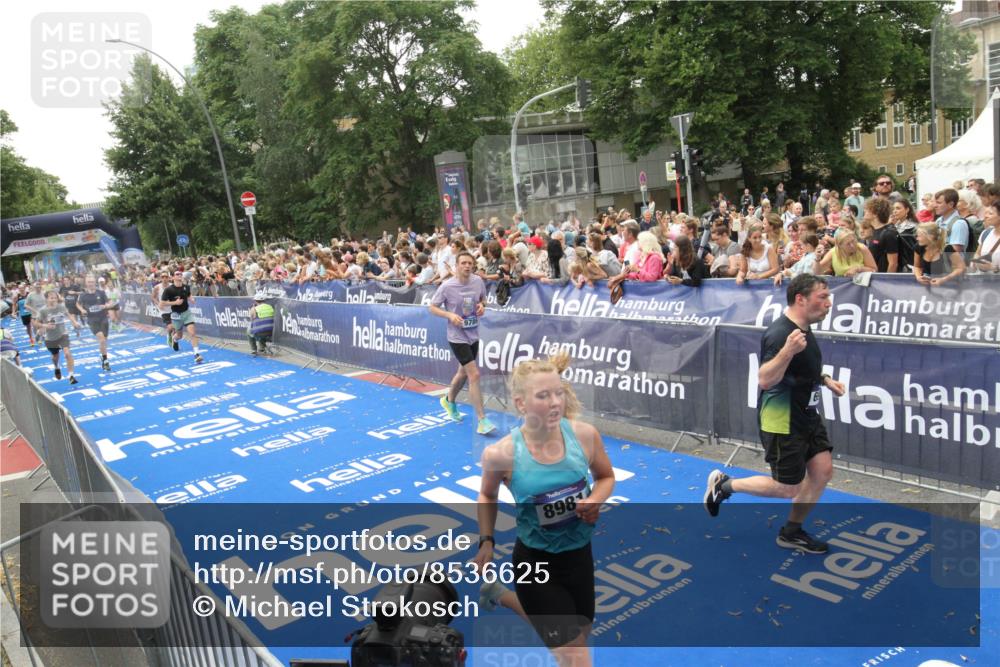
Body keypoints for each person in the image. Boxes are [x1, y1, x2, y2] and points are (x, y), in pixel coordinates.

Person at [472, 353, 615, 667]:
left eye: (559, 393)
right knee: (577, 658)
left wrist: (594, 501)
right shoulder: (501, 454)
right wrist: (486, 539)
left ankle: (498, 594)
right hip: (536, 564)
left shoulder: (585, 436)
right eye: (543, 395)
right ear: (521, 404)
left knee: (581, 633)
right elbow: (486, 494)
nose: (555, 403)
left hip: (579, 556)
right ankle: (506, 593)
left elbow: (605, 477)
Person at [705, 274, 846, 553]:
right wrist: (787, 351)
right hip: (782, 421)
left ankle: (791, 532)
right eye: (823, 297)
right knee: (788, 488)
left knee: (822, 471)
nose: (829, 303)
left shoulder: (802, 327)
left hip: (806, 414)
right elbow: (766, 379)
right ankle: (725, 485)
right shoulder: (781, 334)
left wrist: (824, 379)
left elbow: (800, 369)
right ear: (800, 299)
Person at [429, 252, 496, 435]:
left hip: (473, 334)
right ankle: (482, 420)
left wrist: (483, 306)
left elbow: (483, 299)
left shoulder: (477, 281)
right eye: (463, 263)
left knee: (462, 373)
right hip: (456, 336)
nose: (467, 266)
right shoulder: (447, 286)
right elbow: (432, 307)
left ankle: (449, 400)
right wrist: (449, 315)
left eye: (470, 263)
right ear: (457, 266)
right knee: (474, 375)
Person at [159, 271, 204, 364]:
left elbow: (189, 295)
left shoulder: (186, 287)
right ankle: (174, 339)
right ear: (173, 277)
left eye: (180, 274)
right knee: (180, 335)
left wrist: (192, 299)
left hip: (187, 313)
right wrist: (174, 303)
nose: (179, 275)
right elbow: (162, 303)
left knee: (192, 333)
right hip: (176, 315)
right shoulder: (169, 290)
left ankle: (197, 354)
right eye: (177, 274)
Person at [37, 289, 77, 384]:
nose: (54, 300)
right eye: (51, 298)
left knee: (67, 353)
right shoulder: (43, 310)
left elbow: (68, 314)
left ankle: (71, 375)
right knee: (55, 356)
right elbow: (36, 323)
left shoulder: (61, 307)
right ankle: (56, 367)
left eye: (55, 298)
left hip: (63, 334)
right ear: (47, 299)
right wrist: (45, 326)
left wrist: (74, 322)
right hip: (50, 338)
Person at [76, 274, 113, 371]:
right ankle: (105, 361)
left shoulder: (101, 293)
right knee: (101, 339)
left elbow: (109, 303)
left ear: (95, 282)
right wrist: (82, 310)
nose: (91, 284)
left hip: (103, 318)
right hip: (92, 320)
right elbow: (78, 304)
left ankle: (102, 355)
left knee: (104, 340)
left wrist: (105, 306)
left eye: (92, 282)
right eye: (89, 282)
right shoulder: (83, 295)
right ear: (86, 283)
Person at [865, 197, 899, 272]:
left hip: (882, 279)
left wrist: (886, 281)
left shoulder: (889, 234)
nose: (865, 211)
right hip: (875, 277)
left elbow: (893, 264)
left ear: (875, 214)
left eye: (867, 210)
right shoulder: (874, 230)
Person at [971, 200, 1000, 273]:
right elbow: (977, 253)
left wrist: (993, 268)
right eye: (986, 213)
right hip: (984, 281)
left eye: (990, 213)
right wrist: (976, 261)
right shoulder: (986, 233)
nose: (986, 216)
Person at [151, 273, 176, 347]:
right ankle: (169, 335)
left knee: (175, 326)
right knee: (170, 326)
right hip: (164, 310)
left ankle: (173, 339)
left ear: (169, 278)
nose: (164, 278)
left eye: (166, 277)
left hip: (173, 308)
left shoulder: (173, 285)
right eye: (163, 277)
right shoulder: (157, 287)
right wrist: (158, 304)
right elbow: (153, 297)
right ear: (160, 278)